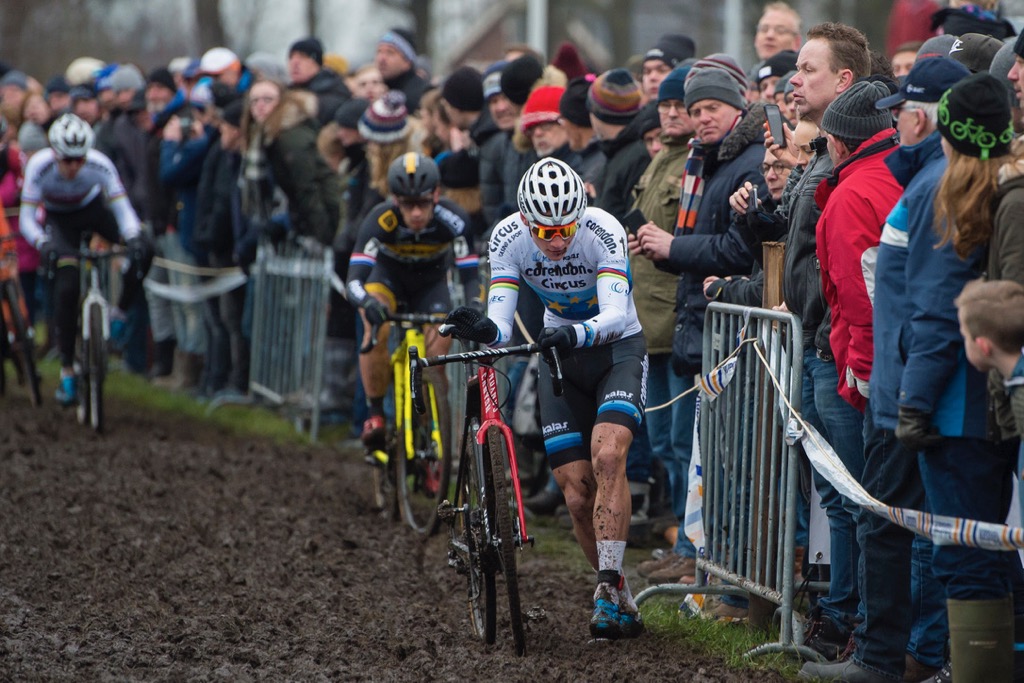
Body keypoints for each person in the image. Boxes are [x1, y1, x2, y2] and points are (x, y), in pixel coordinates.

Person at [444, 157, 648, 640]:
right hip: (562, 354)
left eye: (565, 229)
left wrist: (573, 334)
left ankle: (602, 589)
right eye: (544, 232)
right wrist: (482, 329)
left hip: (615, 348)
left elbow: (616, 313)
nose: (556, 241)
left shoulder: (603, 229)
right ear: (524, 222)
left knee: (608, 454)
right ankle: (619, 593)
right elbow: (500, 320)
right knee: (576, 496)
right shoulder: (507, 237)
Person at [346, 153, 480, 455]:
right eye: (408, 204)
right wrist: (366, 302)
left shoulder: (454, 219)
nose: (417, 212)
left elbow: (471, 276)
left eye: (423, 202)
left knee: (436, 356)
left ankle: (433, 433)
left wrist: (475, 304)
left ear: (436, 195)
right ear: (395, 200)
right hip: (388, 281)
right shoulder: (379, 220)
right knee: (374, 328)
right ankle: (376, 415)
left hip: (431, 287)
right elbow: (353, 280)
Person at [19, 113, 152, 405]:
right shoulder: (38, 167)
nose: (74, 166)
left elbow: (122, 208)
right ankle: (67, 370)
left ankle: (119, 313)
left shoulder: (99, 165)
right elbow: (27, 219)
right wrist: (43, 244)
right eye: (67, 160)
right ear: (54, 154)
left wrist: (132, 237)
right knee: (67, 287)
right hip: (58, 221)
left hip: (91, 211)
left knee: (146, 249)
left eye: (79, 159)